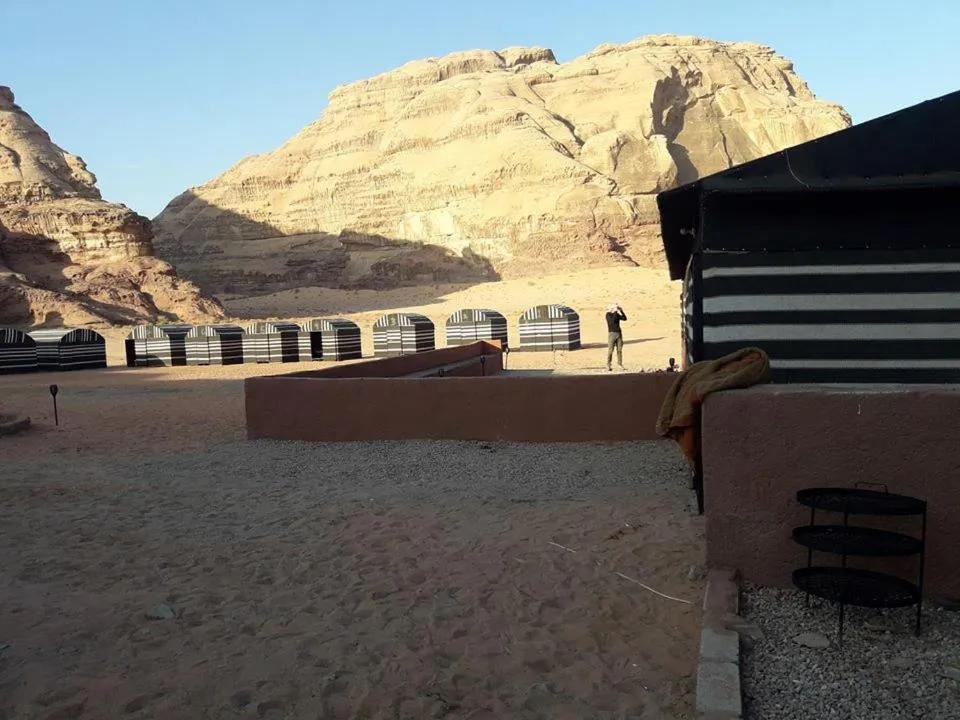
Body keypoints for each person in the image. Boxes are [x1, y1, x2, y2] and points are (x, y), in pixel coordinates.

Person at [605, 302, 627, 371]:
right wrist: (615, 312)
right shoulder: (608, 314)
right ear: (612, 308)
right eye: (615, 308)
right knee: (610, 350)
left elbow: (624, 318)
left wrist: (621, 311)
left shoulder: (616, 314)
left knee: (619, 350)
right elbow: (612, 321)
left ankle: (620, 364)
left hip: (619, 333)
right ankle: (608, 365)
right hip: (612, 334)